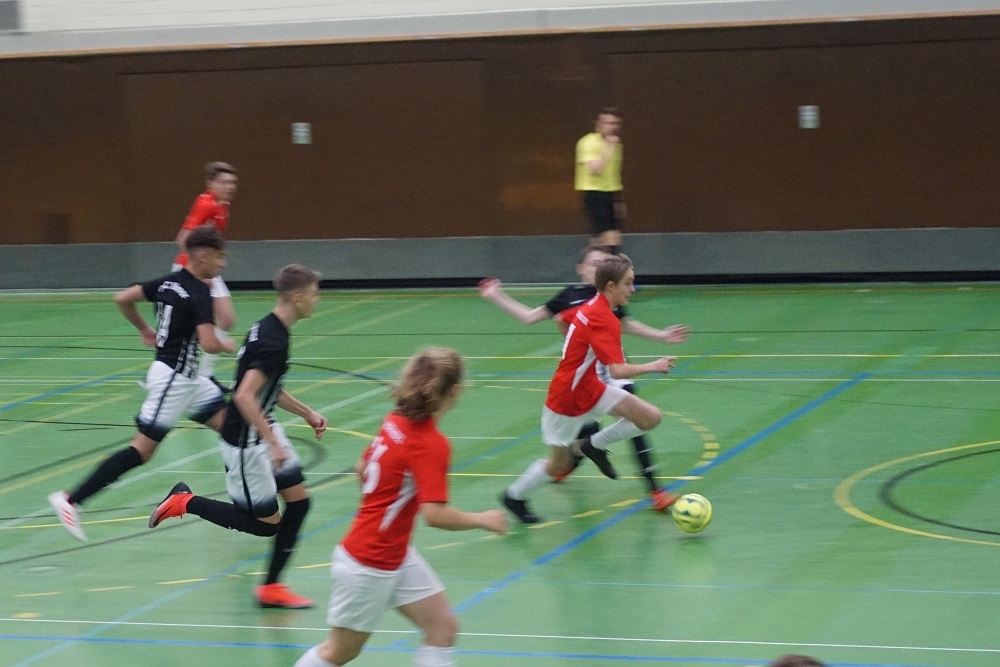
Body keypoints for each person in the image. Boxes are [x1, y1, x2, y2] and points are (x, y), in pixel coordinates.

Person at [294, 348, 507, 667]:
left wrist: (384, 509)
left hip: (393, 553)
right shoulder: (430, 443)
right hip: (369, 563)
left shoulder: (395, 421)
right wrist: (483, 519)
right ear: (455, 390)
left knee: (442, 627)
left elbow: (361, 469)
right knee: (338, 652)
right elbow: (434, 515)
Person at [148, 264, 329, 609]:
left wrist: (306, 412)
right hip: (247, 441)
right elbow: (245, 396)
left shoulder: (267, 328)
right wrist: (272, 443)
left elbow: (263, 387)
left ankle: (272, 587)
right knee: (264, 525)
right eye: (314, 294)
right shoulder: (274, 340)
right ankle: (185, 501)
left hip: (263, 426)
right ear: (297, 297)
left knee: (300, 502)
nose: (317, 300)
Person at [48, 226, 235, 541]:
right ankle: (70, 500)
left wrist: (145, 329)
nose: (223, 264)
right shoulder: (200, 291)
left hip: (189, 379)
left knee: (234, 429)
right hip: (174, 380)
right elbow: (208, 343)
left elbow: (122, 298)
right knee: (142, 450)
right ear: (203, 256)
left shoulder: (167, 282)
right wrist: (226, 345)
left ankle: (243, 498)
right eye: (220, 257)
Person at [479, 245, 689, 511]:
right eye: (628, 283)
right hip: (568, 397)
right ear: (609, 284)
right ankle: (514, 496)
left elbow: (567, 323)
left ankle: (594, 447)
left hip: (591, 386)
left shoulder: (598, 306)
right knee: (557, 464)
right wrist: (654, 365)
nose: (633, 289)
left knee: (649, 417)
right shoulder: (596, 312)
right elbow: (616, 370)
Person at [173, 161, 239, 382]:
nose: (230, 186)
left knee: (227, 319)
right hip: (191, 269)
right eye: (224, 182)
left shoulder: (223, 206)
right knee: (188, 326)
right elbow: (183, 239)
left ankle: (205, 374)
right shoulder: (205, 203)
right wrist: (196, 274)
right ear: (210, 183)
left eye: (232, 182)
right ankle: (179, 371)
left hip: (208, 269)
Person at [576, 107, 625, 252]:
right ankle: (600, 260)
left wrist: (619, 200)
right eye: (608, 123)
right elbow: (595, 169)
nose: (612, 127)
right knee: (605, 234)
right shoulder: (587, 142)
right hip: (594, 192)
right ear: (598, 124)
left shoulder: (617, 145)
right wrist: (609, 147)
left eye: (615, 123)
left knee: (615, 234)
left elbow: (614, 173)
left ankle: (609, 259)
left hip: (611, 192)